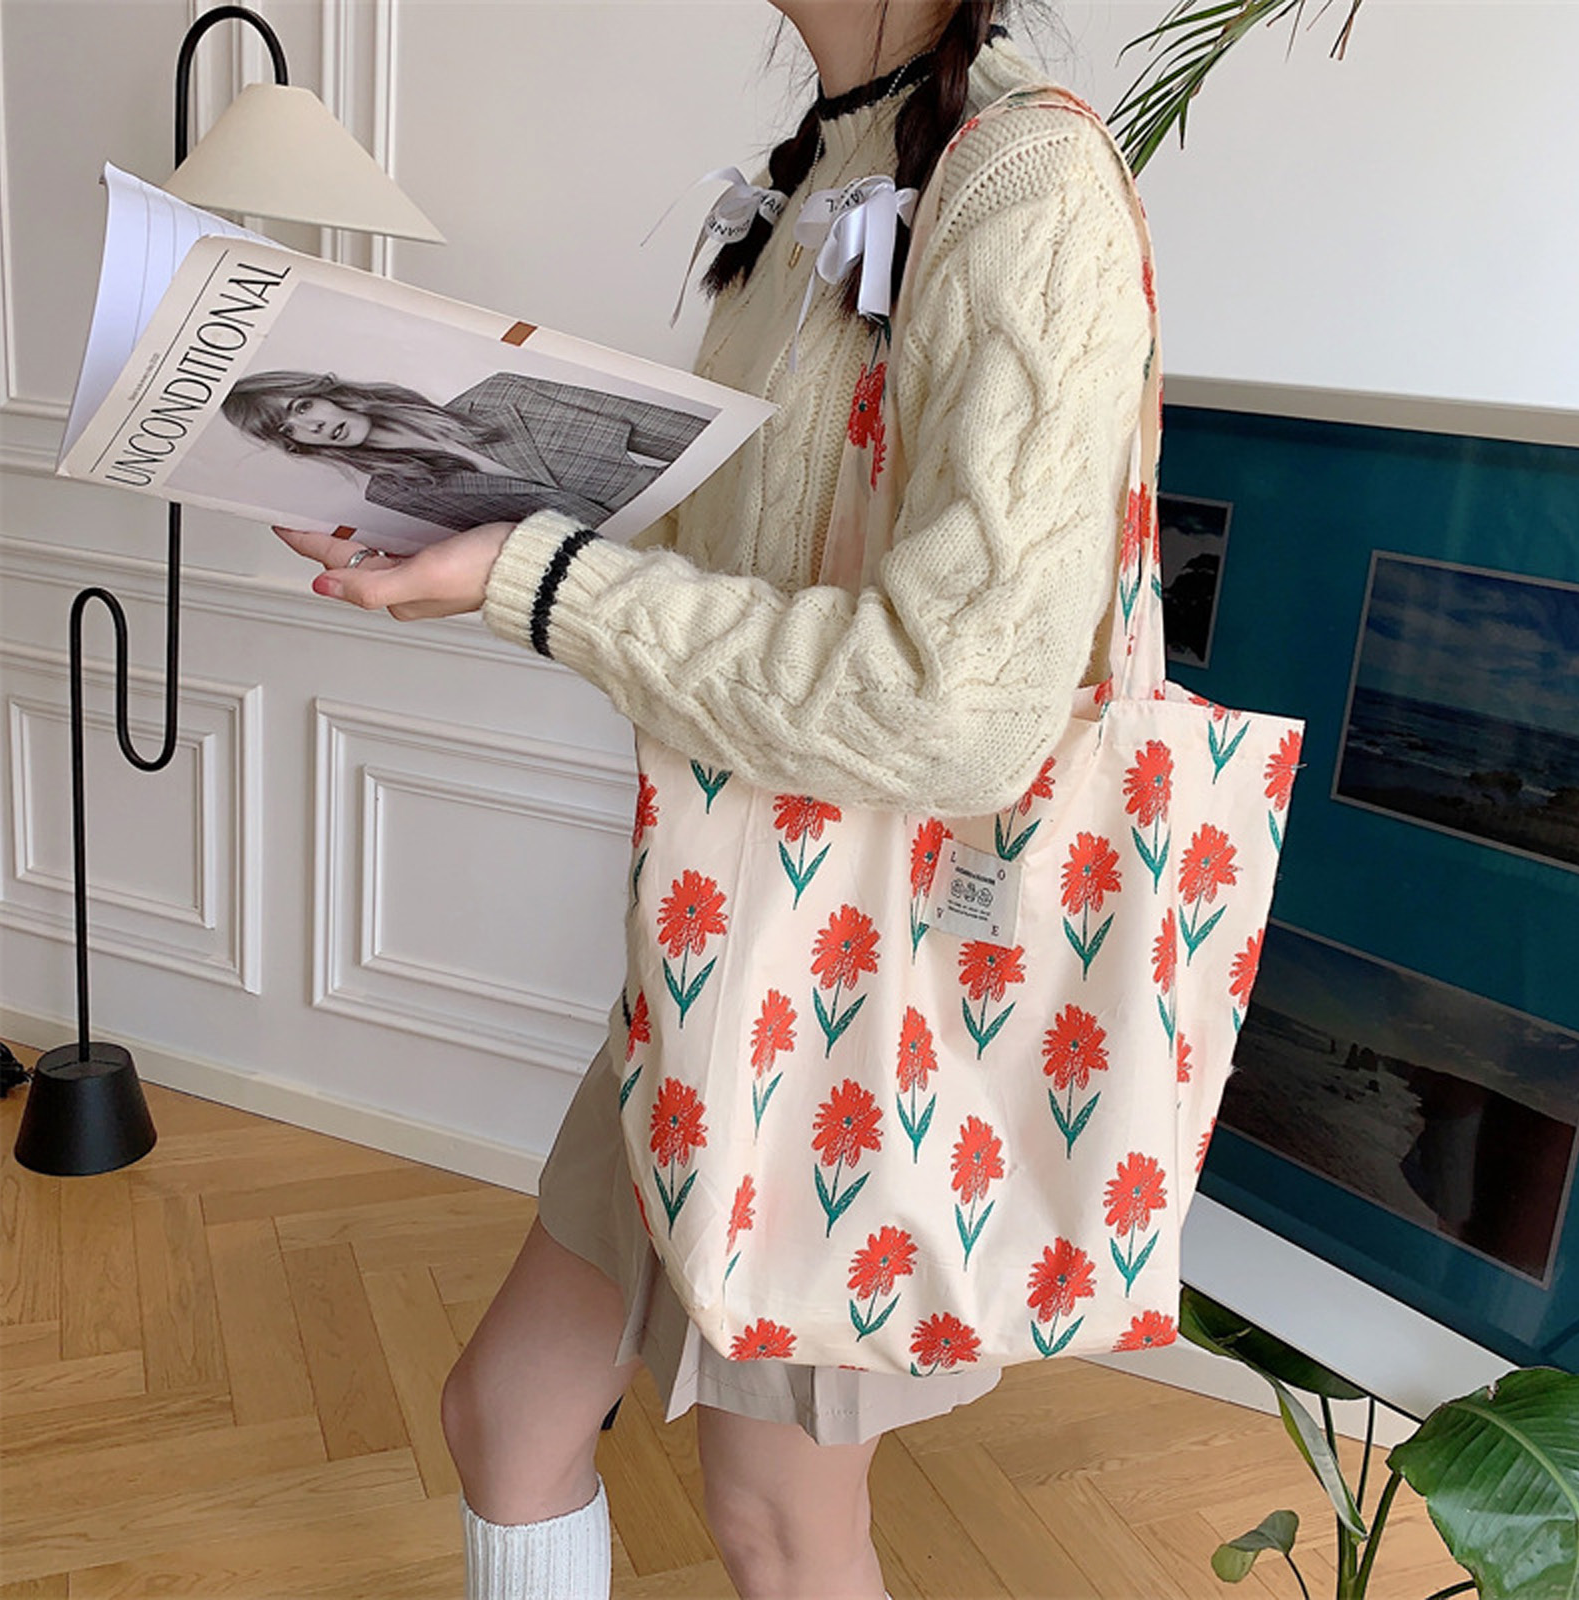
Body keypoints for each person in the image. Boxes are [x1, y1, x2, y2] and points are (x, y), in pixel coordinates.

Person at [274, 2, 1150, 1595]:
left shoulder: (1027, 183)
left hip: (858, 1011)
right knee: (507, 1421)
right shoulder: (828, 172)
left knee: (777, 1523)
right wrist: (463, 518)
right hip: (716, 960)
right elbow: (730, 579)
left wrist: (538, 577)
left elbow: (960, 709)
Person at [222, 369, 709, 532]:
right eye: (290, 429)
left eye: (303, 405)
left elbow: (660, 428)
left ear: (328, 393)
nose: (313, 425)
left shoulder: (500, 393)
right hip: (641, 571)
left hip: (704, 499)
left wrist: (735, 460)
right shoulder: (393, 496)